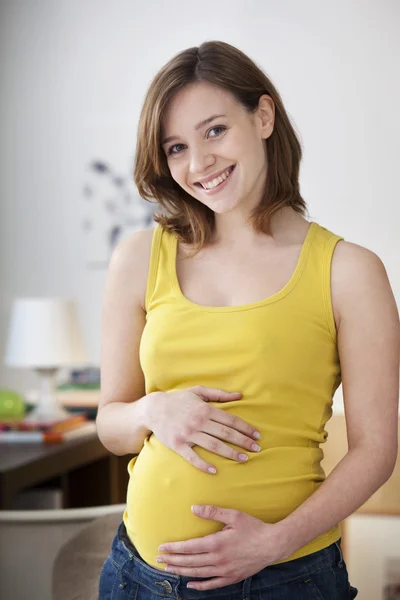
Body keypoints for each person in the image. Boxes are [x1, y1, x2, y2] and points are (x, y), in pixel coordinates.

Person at [97, 40, 399, 599]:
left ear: (263, 116)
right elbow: (110, 425)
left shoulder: (350, 272)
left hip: (286, 579)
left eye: (215, 130)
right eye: (176, 147)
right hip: (138, 577)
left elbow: (376, 450)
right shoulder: (139, 257)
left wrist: (275, 542)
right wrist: (152, 409)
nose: (198, 163)